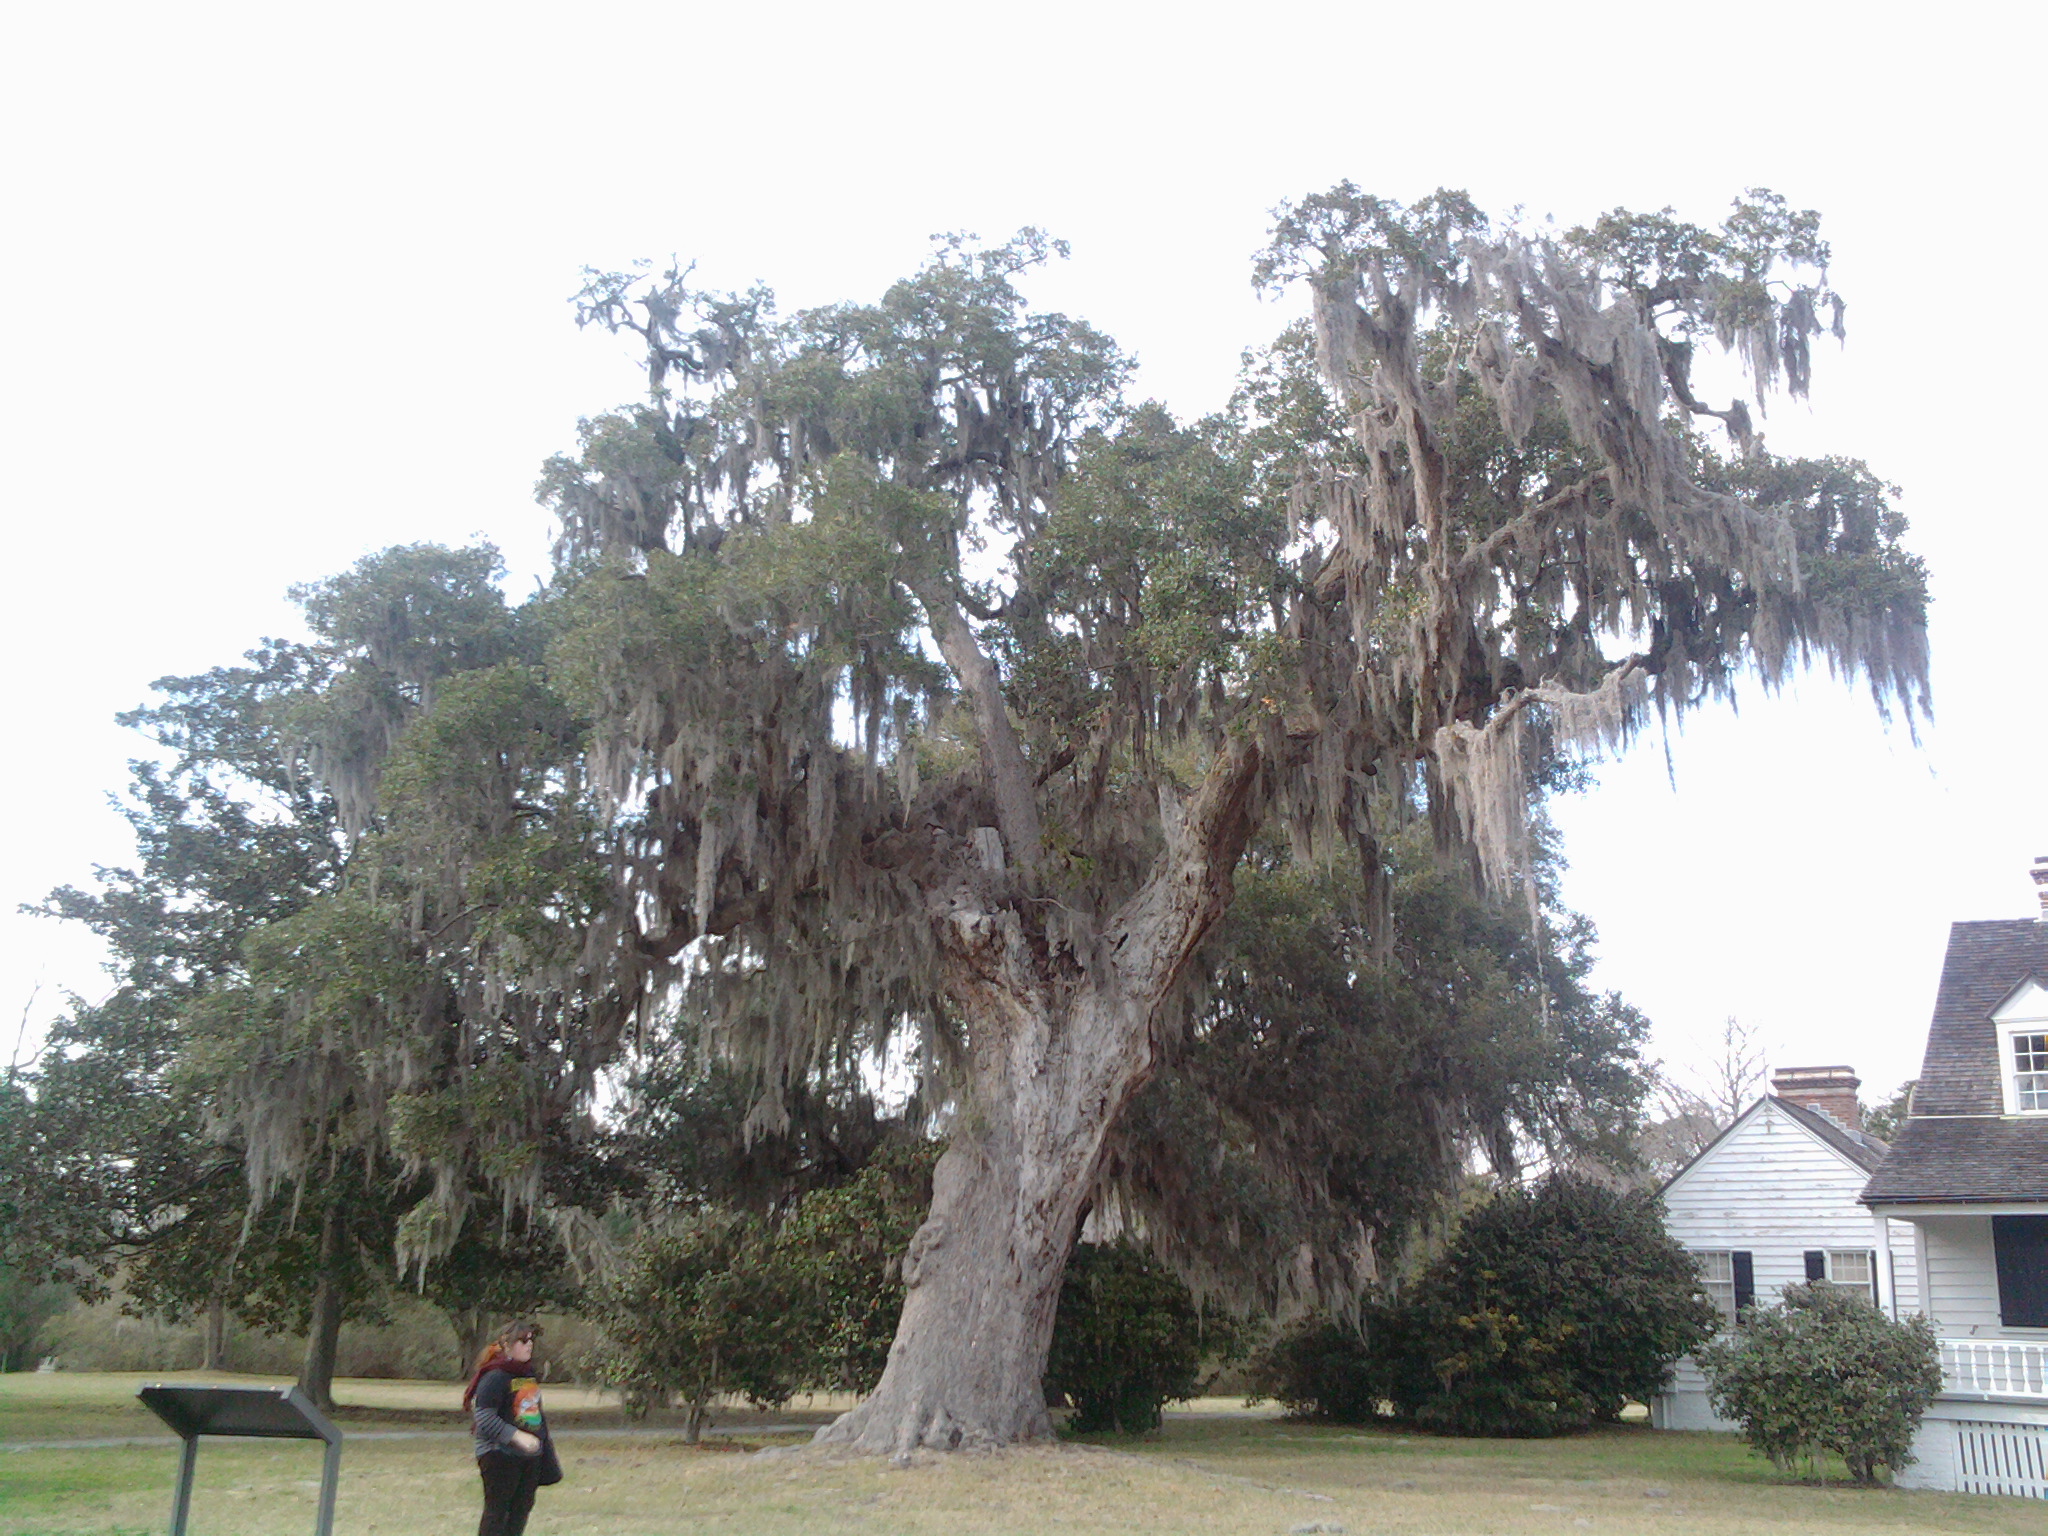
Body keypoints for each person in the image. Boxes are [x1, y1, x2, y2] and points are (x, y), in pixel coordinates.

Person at [464, 1320, 560, 1536]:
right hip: (498, 1454)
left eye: (531, 1340)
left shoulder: (527, 1374)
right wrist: (516, 1437)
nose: (529, 1344)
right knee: (497, 1512)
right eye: (523, 1340)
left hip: (529, 1456)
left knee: (521, 1511)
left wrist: (544, 1450)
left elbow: (536, 1415)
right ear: (507, 1345)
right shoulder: (494, 1376)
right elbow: (484, 1418)